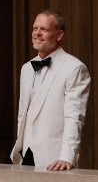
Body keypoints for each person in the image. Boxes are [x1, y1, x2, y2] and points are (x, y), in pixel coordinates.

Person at [10, 10, 90, 171]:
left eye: (44, 29)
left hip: (55, 160)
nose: (37, 33)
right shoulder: (26, 68)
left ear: (59, 35)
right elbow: (23, 115)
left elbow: (74, 116)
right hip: (25, 156)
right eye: (34, 28)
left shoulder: (75, 68)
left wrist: (67, 157)